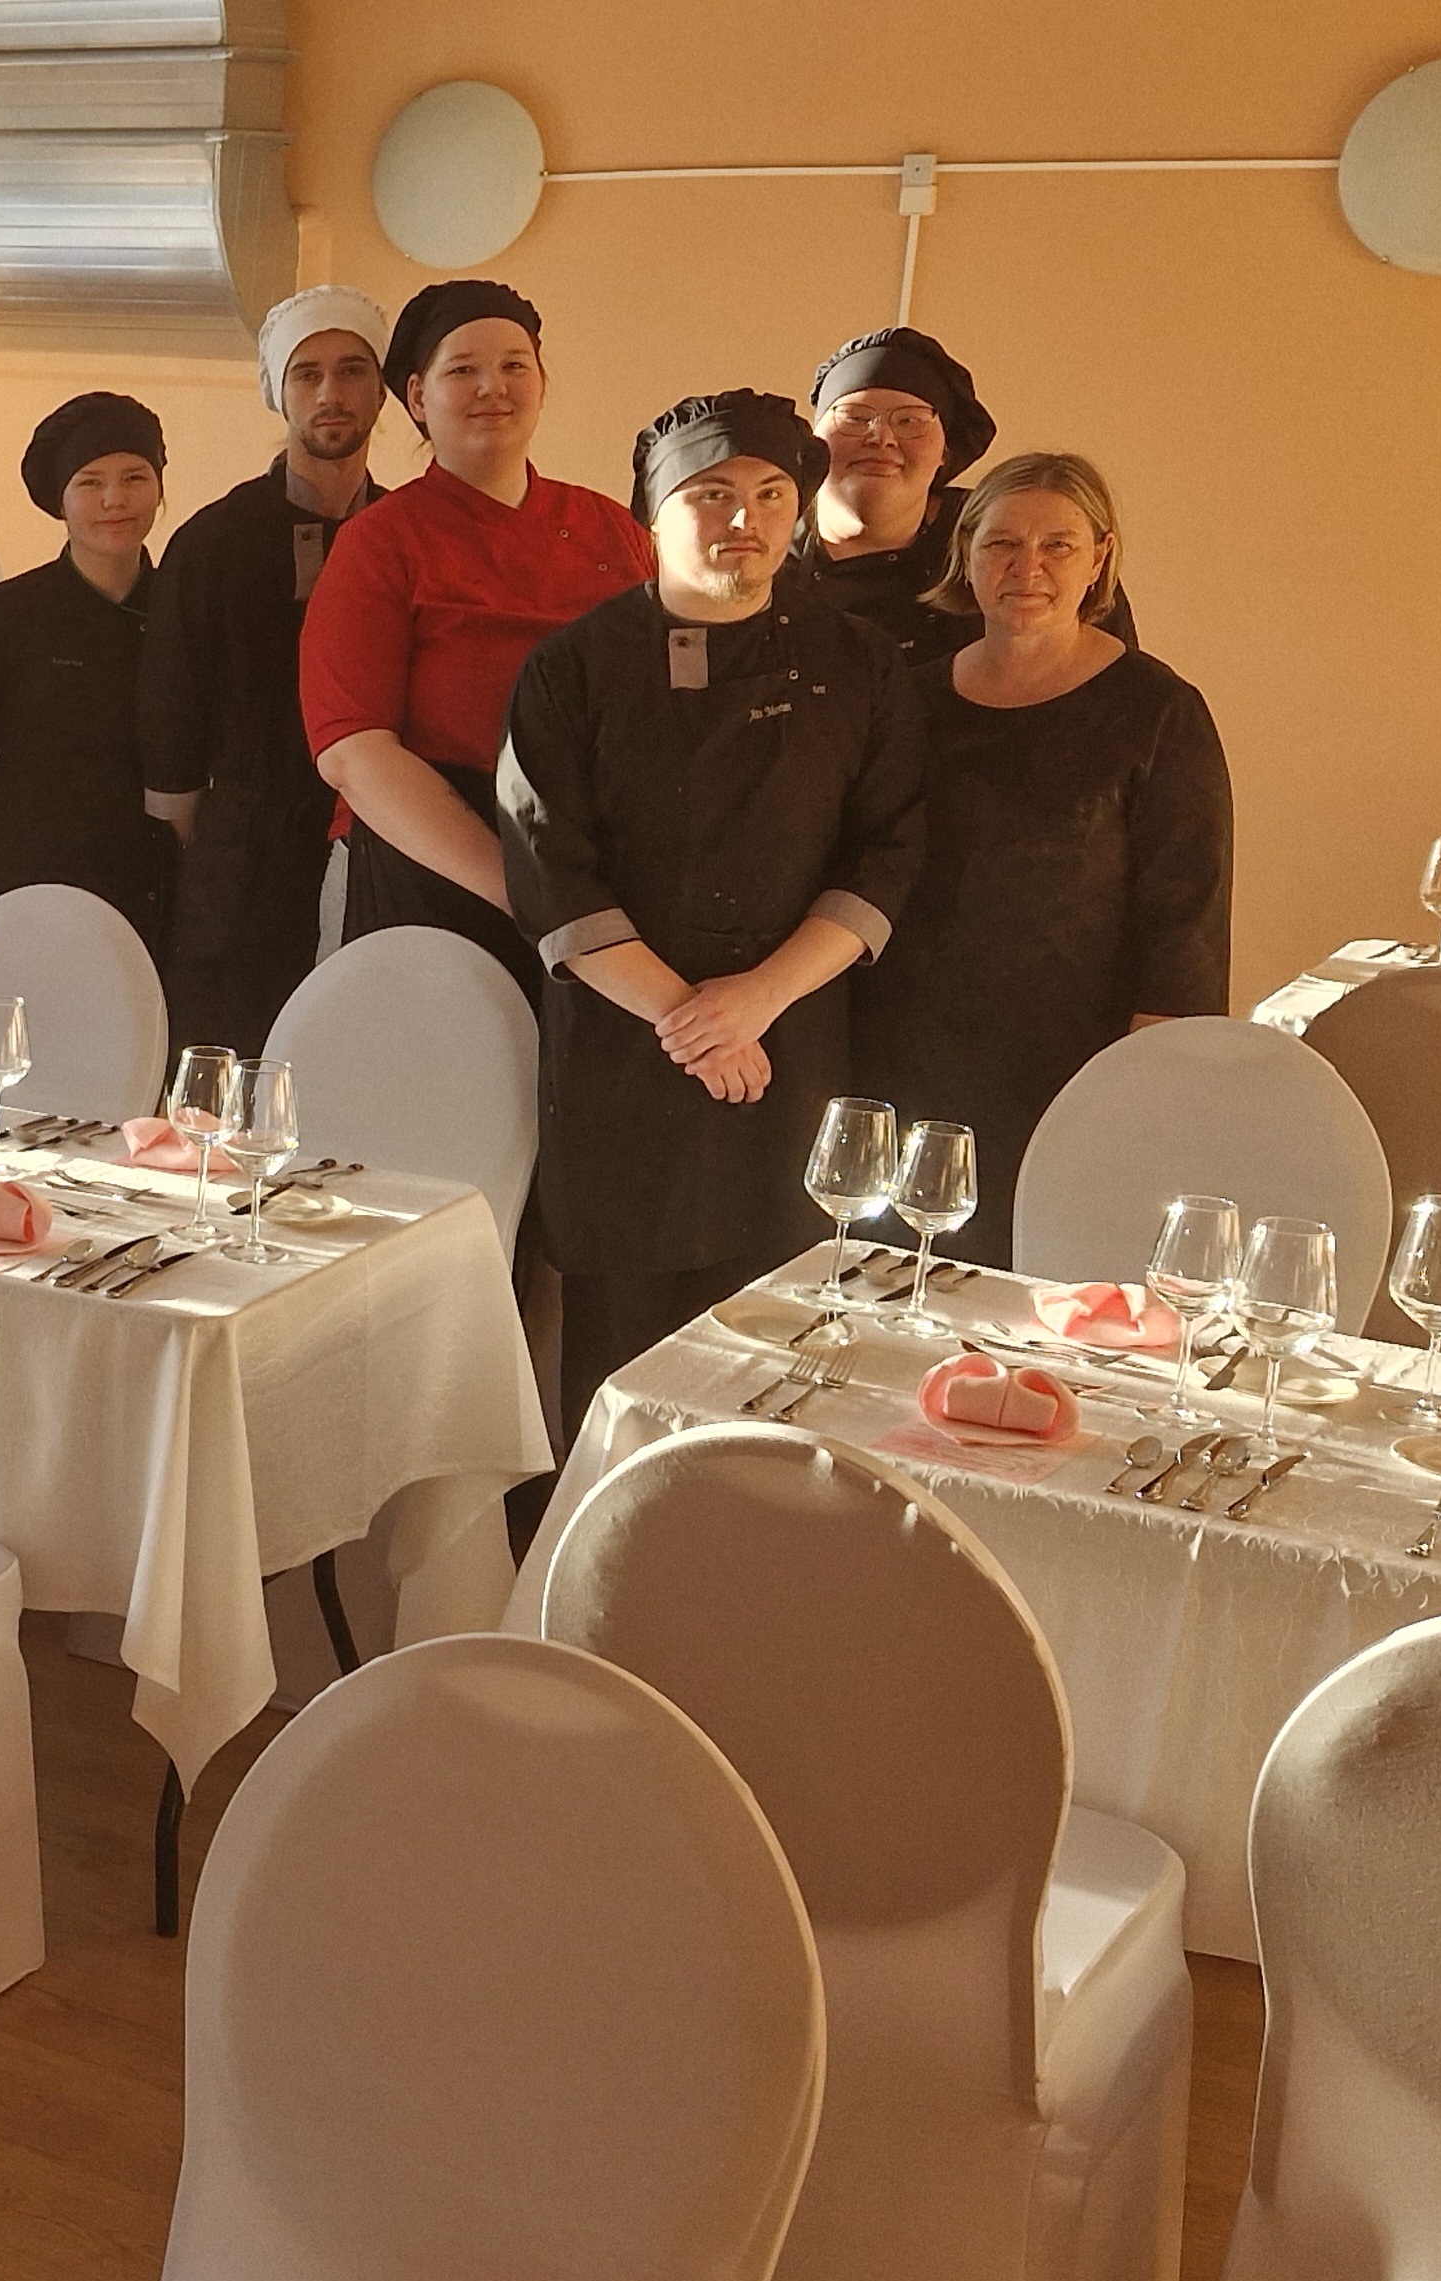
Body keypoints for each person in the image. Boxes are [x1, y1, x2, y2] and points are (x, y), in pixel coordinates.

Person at [499, 391, 924, 1432]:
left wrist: (754, 1002)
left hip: (786, 1043)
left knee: (777, 1357)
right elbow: (549, 864)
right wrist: (686, 1018)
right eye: (711, 494)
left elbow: (889, 848)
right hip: (621, 1051)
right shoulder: (571, 667)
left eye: (772, 494)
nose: (746, 518)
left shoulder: (859, 662)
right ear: (653, 513)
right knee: (618, 1369)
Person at [859, 453, 1229, 1260]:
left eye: (1057, 545)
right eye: (1001, 544)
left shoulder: (1159, 710)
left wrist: (1143, 1089)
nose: (1027, 568)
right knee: (899, 1288)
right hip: (903, 1055)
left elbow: (1186, 923)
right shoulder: (909, 699)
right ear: (966, 554)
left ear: (1099, 559)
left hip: (1070, 1068)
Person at [300, 281, 652, 1002]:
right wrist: (530, 893)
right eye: (463, 369)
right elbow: (355, 753)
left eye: (514, 365)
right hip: (425, 867)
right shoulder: (379, 542)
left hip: (592, 873)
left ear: (542, 384)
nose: (493, 386)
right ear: (418, 397)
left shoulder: (613, 530)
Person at [146, 285, 389, 1054]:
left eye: (352, 370)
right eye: (307, 373)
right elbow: (172, 717)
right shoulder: (212, 543)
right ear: (278, 391)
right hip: (238, 867)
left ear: (385, 388)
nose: (330, 393)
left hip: (378, 848)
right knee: (225, 1074)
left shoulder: (407, 535)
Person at [0, 393, 171, 936]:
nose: (114, 499)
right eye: (90, 482)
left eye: (135, 478)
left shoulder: (184, 609)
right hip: (22, 887)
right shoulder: (4, 613)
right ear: (62, 501)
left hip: (152, 888)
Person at [798, 326, 1136, 667]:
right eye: (855, 418)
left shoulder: (1015, 534)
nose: (881, 437)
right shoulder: (771, 548)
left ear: (945, 451)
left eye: (910, 420)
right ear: (814, 441)